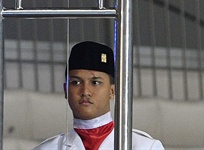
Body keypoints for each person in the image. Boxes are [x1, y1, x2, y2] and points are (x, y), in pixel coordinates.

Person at [33, 41, 164, 150]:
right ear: (66, 90)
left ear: (112, 91)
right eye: (76, 82)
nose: (85, 91)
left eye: (95, 82)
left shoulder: (144, 147)